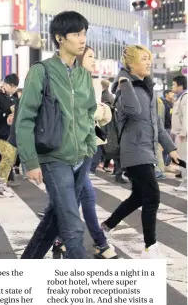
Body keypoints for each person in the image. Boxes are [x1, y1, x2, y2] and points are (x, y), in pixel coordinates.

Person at [17, 11, 96, 259]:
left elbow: (89, 113)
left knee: (54, 219)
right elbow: (25, 118)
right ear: (60, 38)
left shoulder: (83, 75)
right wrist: (30, 161)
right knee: (72, 226)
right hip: (54, 157)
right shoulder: (42, 71)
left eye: (84, 33)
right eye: (76, 34)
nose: (82, 39)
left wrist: (89, 147)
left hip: (81, 158)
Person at [100, 46, 178, 257]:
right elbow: (134, 110)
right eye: (144, 59)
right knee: (152, 196)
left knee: (138, 197)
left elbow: (157, 124)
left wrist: (171, 149)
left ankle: (105, 227)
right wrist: (124, 80)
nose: (148, 62)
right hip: (134, 150)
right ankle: (150, 247)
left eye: (149, 59)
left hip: (147, 149)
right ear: (131, 63)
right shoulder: (125, 89)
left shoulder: (147, 88)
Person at [51, 47, 117, 259]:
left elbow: (96, 114)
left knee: (77, 198)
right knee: (84, 196)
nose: (94, 61)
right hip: (73, 148)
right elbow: (89, 110)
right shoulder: (75, 80)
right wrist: (103, 110)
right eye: (90, 56)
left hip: (86, 146)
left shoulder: (90, 81)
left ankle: (63, 240)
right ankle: (99, 242)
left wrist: (101, 111)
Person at [0, 74, 19, 197]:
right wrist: (6, 114)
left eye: (15, 86)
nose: (13, 89)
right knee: (7, 156)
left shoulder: (13, 97)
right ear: (5, 84)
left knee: (6, 156)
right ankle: (0, 183)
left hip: (9, 132)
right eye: (11, 86)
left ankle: (0, 181)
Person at [171, 75, 187, 192]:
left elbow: (187, 116)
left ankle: (185, 183)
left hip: (183, 135)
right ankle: (184, 181)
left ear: (180, 85)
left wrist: (183, 132)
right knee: (182, 159)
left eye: (174, 84)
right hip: (180, 134)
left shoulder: (185, 97)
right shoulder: (180, 97)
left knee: (184, 159)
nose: (172, 86)